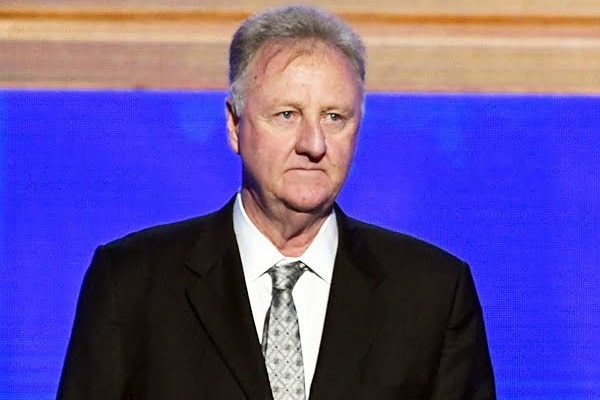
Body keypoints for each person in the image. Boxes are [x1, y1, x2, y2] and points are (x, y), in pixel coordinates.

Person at [56, 4, 495, 400]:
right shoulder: (132, 283)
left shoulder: (433, 294)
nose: (314, 144)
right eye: (287, 115)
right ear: (235, 126)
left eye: (334, 117)